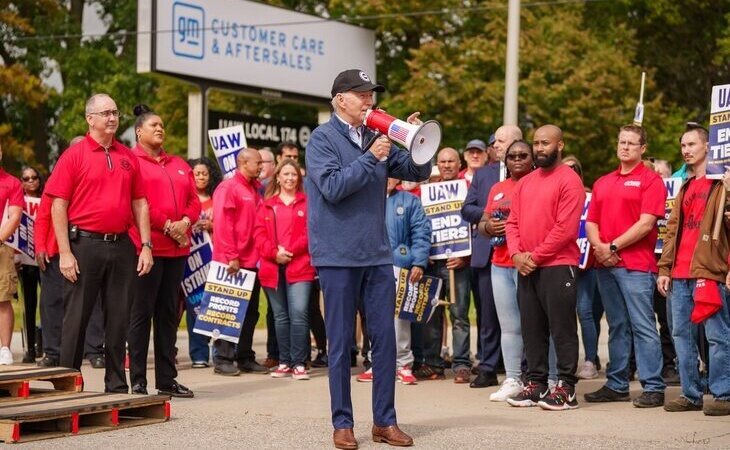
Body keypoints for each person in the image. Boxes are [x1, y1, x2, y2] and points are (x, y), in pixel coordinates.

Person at [305, 68, 430, 449]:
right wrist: (371, 157)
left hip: (376, 254)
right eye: (361, 94)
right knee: (341, 343)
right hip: (338, 255)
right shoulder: (321, 139)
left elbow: (415, 172)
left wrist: (415, 142)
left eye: (371, 93)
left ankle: (384, 422)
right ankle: (343, 423)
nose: (369, 100)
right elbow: (332, 187)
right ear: (340, 99)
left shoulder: (378, 137)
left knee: (385, 342)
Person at [44, 93, 153, 393]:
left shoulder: (128, 156)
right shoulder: (74, 156)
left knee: (119, 318)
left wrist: (146, 245)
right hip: (83, 246)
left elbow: (140, 203)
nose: (112, 118)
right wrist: (64, 252)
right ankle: (67, 384)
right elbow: (58, 206)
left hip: (120, 246)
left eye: (115, 112)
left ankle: (117, 385)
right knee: (76, 319)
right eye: (105, 113)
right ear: (90, 119)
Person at [584, 125, 667, 408]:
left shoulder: (651, 180)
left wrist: (613, 247)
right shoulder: (603, 182)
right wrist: (600, 248)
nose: (625, 147)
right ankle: (617, 384)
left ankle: (654, 386)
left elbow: (646, 223)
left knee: (643, 325)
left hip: (635, 265)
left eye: (632, 143)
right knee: (617, 326)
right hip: (605, 264)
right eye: (622, 142)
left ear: (643, 148)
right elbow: (591, 221)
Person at [505, 124, 585, 411]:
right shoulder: (526, 182)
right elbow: (512, 222)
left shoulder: (569, 180)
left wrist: (534, 257)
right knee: (532, 329)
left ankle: (567, 388)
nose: (539, 148)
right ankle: (536, 384)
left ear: (560, 146)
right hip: (526, 265)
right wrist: (516, 254)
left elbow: (565, 229)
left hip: (557, 265)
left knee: (562, 329)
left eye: (545, 143)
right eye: (536, 143)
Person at [127, 105, 200, 397]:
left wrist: (184, 222)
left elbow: (194, 201)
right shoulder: (131, 162)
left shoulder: (179, 164)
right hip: (147, 249)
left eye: (162, 125)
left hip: (177, 252)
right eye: (153, 125)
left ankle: (167, 379)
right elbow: (136, 202)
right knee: (142, 314)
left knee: (169, 315)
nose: (160, 129)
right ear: (139, 131)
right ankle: (139, 380)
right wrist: (168, 225)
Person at [658, 124, 730, 416]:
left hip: (708, 270)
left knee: (717, 335)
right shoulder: (685, 185)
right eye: (683, 146)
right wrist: (665, 268)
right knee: (681, 336)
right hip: (680, 273)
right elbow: (672, 230)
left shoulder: (721, 184)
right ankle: (691, 393)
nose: (686, 150)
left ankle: (724, 393)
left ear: (707, 147)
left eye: (692, 144)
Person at [461, 125, 521, 389]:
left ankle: (523, 368)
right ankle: (488, 366)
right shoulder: (483, 175)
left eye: (501, 141)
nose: (495, 145)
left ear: (517, 143)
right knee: (488, 315)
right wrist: (489, 220)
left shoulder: (529, 174)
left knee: (522, 314)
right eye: (495, 141)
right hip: (489, 252)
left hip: (521, 253)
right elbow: (467, 208)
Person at [356, 178, 431, 385]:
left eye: (391, 174)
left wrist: (419, 262)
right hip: (370, 264)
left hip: (401, 265)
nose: (387, 178)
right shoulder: (364, 199)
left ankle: (403, 365)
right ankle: (376, 363)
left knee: (400, 318)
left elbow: (421, 232)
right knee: (373, 316)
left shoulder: (409, 201)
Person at [479, 140, 534, 401]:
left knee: (536, 326)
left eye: (523, 155)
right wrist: (489, 227)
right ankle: (512, 378)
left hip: (529, 263)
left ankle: (539, 378)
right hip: (500, 264)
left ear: (532, 158)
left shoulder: (538, 182)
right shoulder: (498, 188)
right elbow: (482, 223)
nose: (517, 160)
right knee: (509, 327)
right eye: (512, 156)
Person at [413, 147, 473, 384]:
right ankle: (433, 364)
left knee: (459, 315)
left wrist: (465, 257)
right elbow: (418, 226)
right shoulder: (424, 193)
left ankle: (461, 364)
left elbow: (473, 230)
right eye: (443, 161)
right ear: (437, 164)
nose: (447, 165)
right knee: (430, 315)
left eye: (451, 161)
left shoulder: (467, 191)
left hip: (457, 264)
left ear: (459, 164)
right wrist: (422, 254)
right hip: (431, 263)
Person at [254, 159, 315, 380]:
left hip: (300, 266)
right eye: (286, 174)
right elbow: (259, 235)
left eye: (294, 175)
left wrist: (288, 251)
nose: (290, 178)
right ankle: (284, 361)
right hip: (272, 268)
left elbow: (310, 233)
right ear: (277, 177)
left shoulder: (307, 203)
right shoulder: (267, 204)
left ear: (299, 179)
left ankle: (299, 363)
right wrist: (274, 253)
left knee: (299, 314)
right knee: (280, 317)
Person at [211, 148, 268, 376]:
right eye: (258, 162)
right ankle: (223, 358)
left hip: (253, 261)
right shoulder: (229, 188)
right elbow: (223, 224)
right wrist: (231, 255)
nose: (262, 166)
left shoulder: (255, 190)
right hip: (234, 261)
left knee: (250, 313)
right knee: (227, 311)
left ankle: (244, 356)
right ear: (243, 162)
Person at [185, 157, 221, 367]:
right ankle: (198, 353)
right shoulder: (186, 199)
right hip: (191, 262)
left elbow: (225, 225)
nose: (200, 177)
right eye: (196, 173)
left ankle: (218, 351)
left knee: (214, 306)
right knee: (194, 307)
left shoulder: (217, 198)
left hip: (215, 258)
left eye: (204, 173)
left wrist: (211, 225)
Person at [0, 141, 23, 365]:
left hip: (1, 245)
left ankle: (5, 348)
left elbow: (15, 217)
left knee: (3, 298)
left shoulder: (11, 183)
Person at [257, 147, 280, 369]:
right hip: (259, 257)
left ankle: (285, 354)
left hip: (283, 256)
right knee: (269, 310)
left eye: (265, 162)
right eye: (258, 162)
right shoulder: (255, 188)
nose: (261, 166)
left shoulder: (279, 186)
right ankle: (273, 353)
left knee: (282, 310)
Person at [18, 166, 43, 363]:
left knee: (48, 304)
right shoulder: (18, 201)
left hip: (44, 258)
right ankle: (30, 349)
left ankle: (46, 342)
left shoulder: (46, 200)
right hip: (25, 260)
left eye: (34, 177)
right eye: (26, 178)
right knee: (29, 304)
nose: (31, 181)